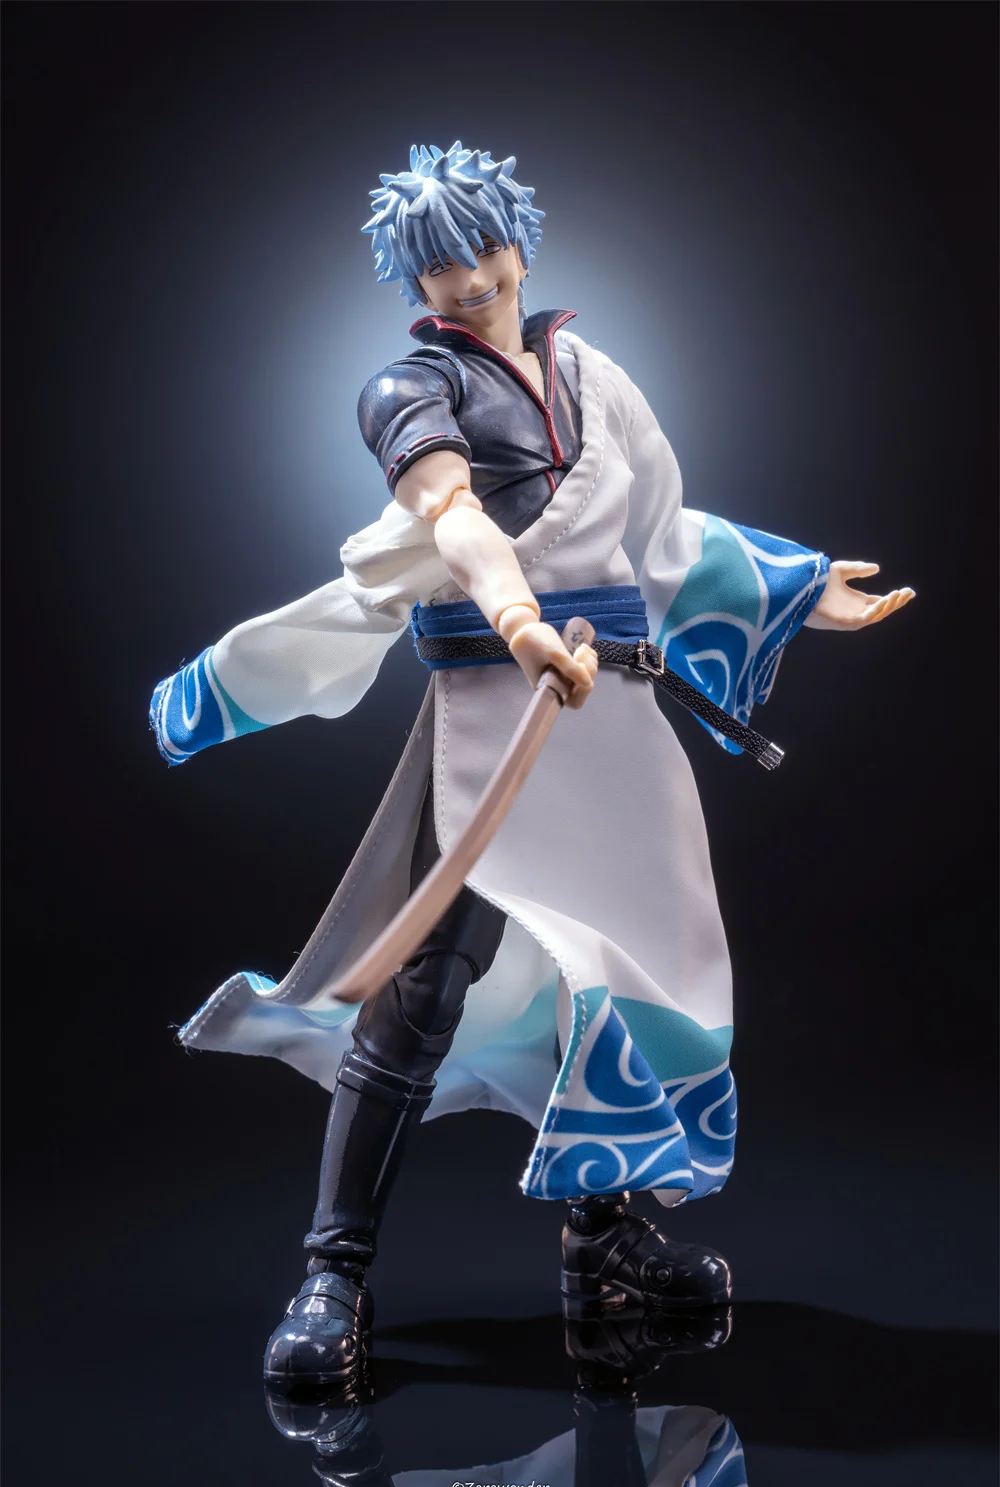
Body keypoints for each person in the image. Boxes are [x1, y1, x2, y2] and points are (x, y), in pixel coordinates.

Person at [150, 142, 913, 1388]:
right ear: (414, 281)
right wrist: (515, 623)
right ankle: (333, 1273)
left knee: (621, 974)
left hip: (613, 733)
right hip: (494, 727)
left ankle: (604, 1243)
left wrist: (796, 586)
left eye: (480, 251)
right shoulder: (409, 387)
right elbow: (453, 519)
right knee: (422, 991)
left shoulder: (594, 377)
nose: (464, 279)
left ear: (517, 244)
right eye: (435, 266)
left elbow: (660, 535)